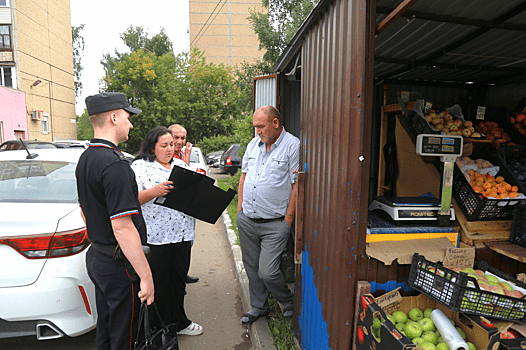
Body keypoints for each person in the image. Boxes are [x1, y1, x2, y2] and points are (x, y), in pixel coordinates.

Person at [75, 92, 154, 350]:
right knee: (125, 335)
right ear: (113, 117)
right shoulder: (115, 164)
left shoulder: (86, 157)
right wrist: (146, 275)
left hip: (98, 257)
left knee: (107, 330)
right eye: (128, 117)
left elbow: (84, 211)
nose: (130, 124)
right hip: (118, 264)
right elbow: (122, 226)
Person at [130, 126, 203, 336]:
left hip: (182, 234)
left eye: (172, 144)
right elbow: (131, 200)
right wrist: (154, 191)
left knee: (178, 282)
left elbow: (191, 195)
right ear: (152, 147)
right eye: (164, 145)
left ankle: (179, 323)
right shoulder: (139, 167)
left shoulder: (180, 165)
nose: (170, 149)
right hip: (156, 237)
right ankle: (158, 329)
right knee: (159, 285)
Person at [237, 105, 299, 325]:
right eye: (255, 127)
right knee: (252, 268)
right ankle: (259, 306)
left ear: (275, 123)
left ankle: (288, 301)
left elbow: (297, 185)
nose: (258, 132)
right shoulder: (253, 145)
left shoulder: (293, 146)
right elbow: (243, 177)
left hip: (275, 223)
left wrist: (288, 221)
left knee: (268, 272)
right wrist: (240, 209)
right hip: (248, 220)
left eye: (261, 126)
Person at [168, 123, 199, 284]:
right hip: (169, 215)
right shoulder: (165, 156)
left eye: (183, 138)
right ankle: (175, 279)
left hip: (185, 212)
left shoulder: (181, 155)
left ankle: (181, 275)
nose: (180, 141)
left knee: (187, 244)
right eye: (176, 137)